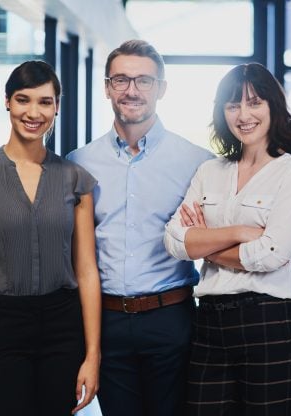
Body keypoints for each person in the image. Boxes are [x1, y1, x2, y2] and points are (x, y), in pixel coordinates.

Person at [67, 40, 213, 416]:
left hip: (172, 320)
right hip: (107, 323)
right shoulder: (79, 164)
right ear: (106, 87)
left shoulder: (198, 163)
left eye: (143, 81)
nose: (131, 90)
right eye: (121, 80)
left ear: (161, 88)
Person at [0, 60, 101, 416]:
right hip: (1, 325)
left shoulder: (76, 179)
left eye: (45, 102)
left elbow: (87, 270)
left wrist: (92, 355)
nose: (33, 112)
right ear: (7, 102)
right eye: (23, 99)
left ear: (57, 107)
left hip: (63, 328)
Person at [164, 62, 291, 415]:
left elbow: (271, 254)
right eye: (233, 105)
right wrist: (237, 233)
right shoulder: (210, 171)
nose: (243, 115)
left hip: (269, 321)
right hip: (210, 322)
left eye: (255, 102)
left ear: (274, 106)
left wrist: (205, 245)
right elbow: (173, 241)